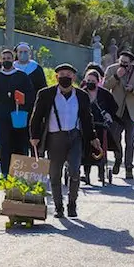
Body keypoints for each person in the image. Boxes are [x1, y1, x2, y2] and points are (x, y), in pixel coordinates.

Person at [30, 63, 100, 218]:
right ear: (56, 77)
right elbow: (37, 116)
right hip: (54, 138)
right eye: (62, 75)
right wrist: (34, 136)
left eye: (68, 75)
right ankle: (58, 207)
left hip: (75, 137)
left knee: (74, 171)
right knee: (55, 174)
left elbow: (87, 118)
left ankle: (72, 204)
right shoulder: (46, 94)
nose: (65, 78)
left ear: (73, 77)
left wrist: (92, 137)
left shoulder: (81, 95)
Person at [0, 48, 36, 176]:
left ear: (13, 59)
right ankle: (5, 172)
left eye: (8, 58)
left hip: (19, 116)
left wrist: (23, 100)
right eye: (4, 59)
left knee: (20, 144)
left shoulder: (22, 76)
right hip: (2, 117)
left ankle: (20, 173)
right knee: (4, 144)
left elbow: (31, 95)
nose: (6, 61)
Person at [103, 50, 134, 180]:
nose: (123, 65)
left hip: (131, 112)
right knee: (115, 139)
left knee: (130, 141)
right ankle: (118, 159)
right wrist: (116, 76)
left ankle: (128, 167)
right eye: (121, 62)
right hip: (116, 112)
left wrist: (133, 89)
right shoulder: (112, 69)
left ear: (131, 63)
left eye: (126, 63)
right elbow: (105, 86)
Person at [80, 68, 119, 184]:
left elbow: (114, 107)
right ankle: (86, 174)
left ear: (98, 81)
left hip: (101, 125)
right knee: (86, 148)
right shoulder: (81, 93)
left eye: (93, 81)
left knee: (101, 147)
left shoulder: (105, 94)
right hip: (86, 126)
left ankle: (101, 173)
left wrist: (108, 114)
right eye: (88, 80)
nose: (90, 83)